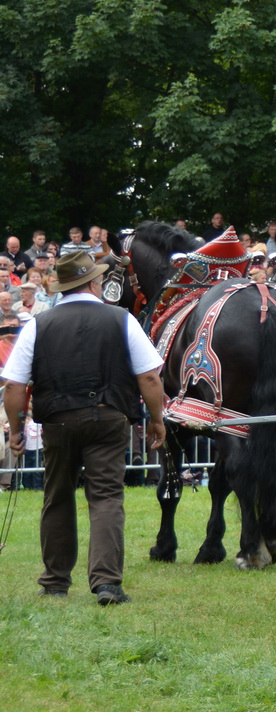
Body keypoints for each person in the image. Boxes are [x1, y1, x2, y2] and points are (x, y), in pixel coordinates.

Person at [2, 249, 166, 603]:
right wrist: (157, 419)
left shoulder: (38, 324)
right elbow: (150, 377)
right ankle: (107, 583)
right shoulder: (122, 319)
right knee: (106, 497)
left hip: (58, 421)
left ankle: (55, 582)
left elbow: (14, 385)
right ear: (94, 281)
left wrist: (15, 430)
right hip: (108, 417)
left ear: (62, 286)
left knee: (57, 495)